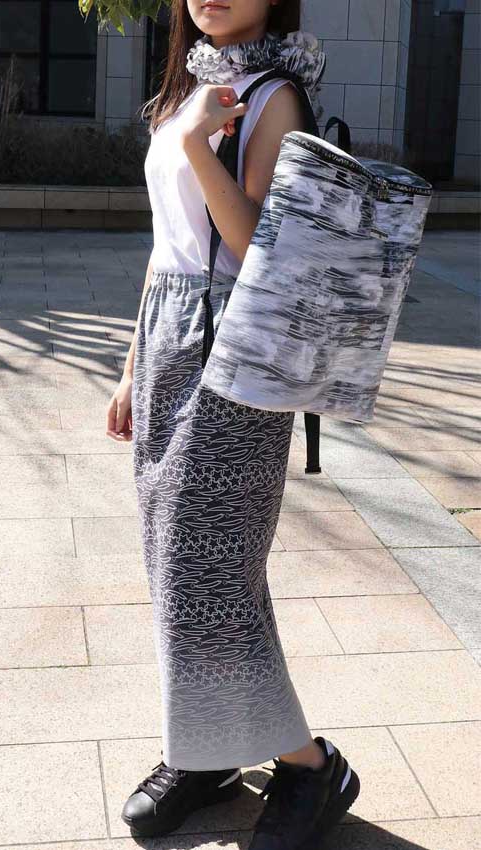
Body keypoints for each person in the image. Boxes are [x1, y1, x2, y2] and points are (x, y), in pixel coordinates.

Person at [105, 2, 360, 848]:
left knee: (209, 567)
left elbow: (255, 247)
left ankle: (312, 766)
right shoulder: (190, 88)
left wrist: (196, 149)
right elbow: (166, 244)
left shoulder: (274, 94)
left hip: (235, 348)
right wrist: (132, 365)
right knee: (172, 559)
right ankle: (206, 751)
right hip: (170, 334)